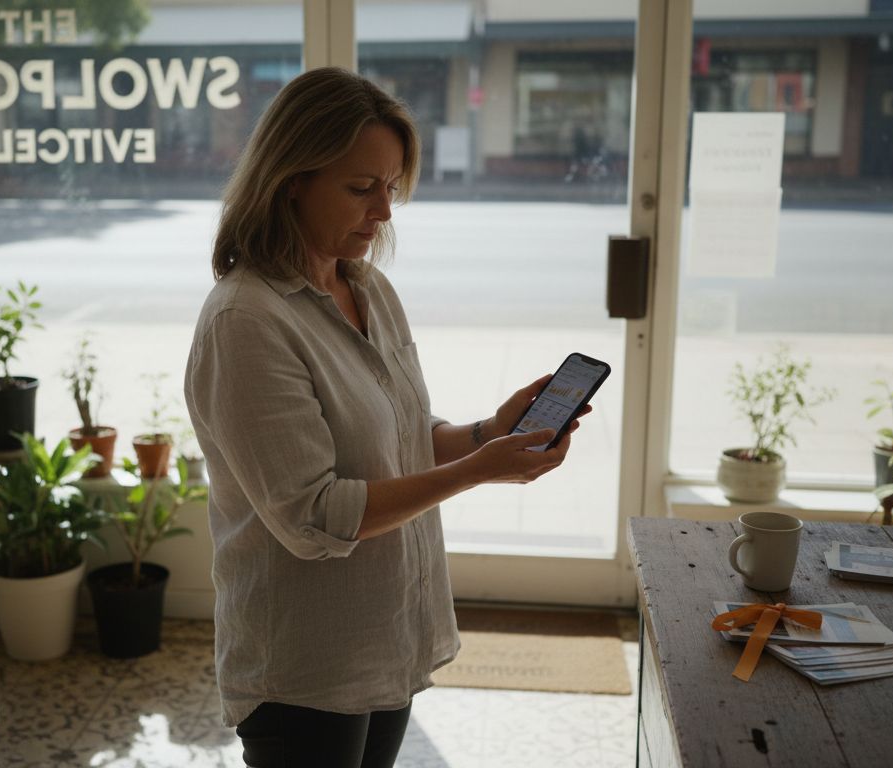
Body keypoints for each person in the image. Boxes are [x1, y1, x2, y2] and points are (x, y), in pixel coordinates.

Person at [184, 67, 591, 768]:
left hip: (383, 639)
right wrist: (475, 472)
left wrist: (489, 435)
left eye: (392, 188)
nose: (385, 211)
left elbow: (404, 440)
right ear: (291, 180)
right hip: (305, 670)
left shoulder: (367, 287)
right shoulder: (247, 321)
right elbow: (314, 515)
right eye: (360, 188)